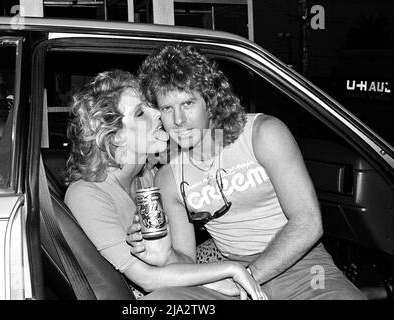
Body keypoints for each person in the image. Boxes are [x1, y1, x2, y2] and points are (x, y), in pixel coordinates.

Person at [129, 45, 367, 300]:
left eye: (188, 103)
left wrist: (248, 277)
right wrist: (164, 255)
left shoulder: (262, 134)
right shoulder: (169, 177)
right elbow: (186, 259)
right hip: (229, 271)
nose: (178, 120)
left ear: (210, 102)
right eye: (167, 108)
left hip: (303, 266)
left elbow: (308, 221)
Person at [64, 69, 267, 300]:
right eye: (141, 113)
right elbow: (147, 279)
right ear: (115, 137)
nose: (158, 114)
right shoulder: (86, 194)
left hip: (170, 282)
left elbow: (182, 258)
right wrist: (230, 270)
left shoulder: (149, 177)